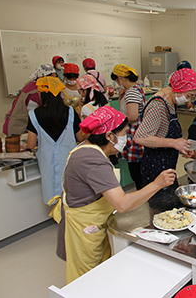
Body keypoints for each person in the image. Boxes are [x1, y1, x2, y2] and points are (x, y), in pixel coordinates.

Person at [48, 106, 176, 283]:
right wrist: (157, 184)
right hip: (83, 228)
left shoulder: (89, 148)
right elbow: (122, 204)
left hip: (94, 222)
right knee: (88, 280)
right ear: (109, 135)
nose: (127, 138)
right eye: (123, 133)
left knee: (103, 271)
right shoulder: (92, 160)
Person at [134, 68, 196, 208]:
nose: (188, 100)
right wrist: (173, 143)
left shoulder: (171, 103)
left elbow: (161, 135)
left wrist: (181, 147)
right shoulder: (157, 106)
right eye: (189, 95)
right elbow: (140, 137)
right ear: (180, 87)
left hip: (167, 167)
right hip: (155, 169)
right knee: (161, 212)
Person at [27, 76, 84, 204]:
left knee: (54, 196)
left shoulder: (34, 114)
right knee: (71, 194)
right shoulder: (70, 112)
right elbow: (79, 137)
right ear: (59, 93)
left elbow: (30, 144)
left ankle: (58, 218)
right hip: (70, 160)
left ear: (41, 94)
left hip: (47, 162)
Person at [115, 64, 146, 191]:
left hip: (134, 135)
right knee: (138, 170)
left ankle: (143, 195)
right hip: (137, 133)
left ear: (120, 78)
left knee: (136, 171)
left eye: (116, 80)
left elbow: (132, 116)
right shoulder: (135, 89)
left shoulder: (132, 92)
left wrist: (116, 119)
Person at [3, 64, 56, 136]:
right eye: (54, 77)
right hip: (18, 128)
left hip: (22, 125)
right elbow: (36, 114)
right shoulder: (36, 91)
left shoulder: (34, 85)